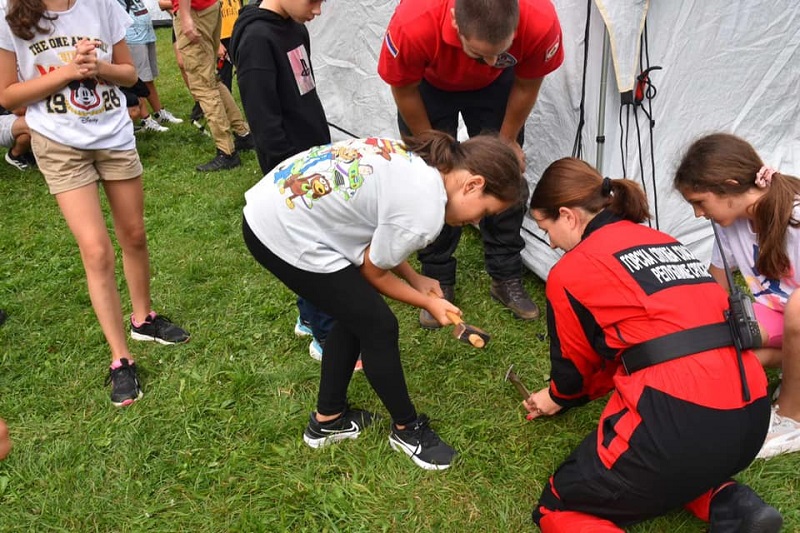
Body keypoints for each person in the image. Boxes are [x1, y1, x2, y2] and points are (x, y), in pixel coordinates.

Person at [243, 131, 527, 470]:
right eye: (484, 211)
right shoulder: (426, 212)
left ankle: (328, 419)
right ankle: (407, 430)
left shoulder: (426, 164)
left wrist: (416, 278)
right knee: (378, 325)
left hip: (273, 204)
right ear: (473, 184)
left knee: (356, 315)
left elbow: (383, 239)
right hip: (283, 230)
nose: (477, 221)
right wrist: (428, 303)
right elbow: (373, 274)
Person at [524, 157, 781, 532]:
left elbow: (575, 367)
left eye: (545, 228)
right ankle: (732, 504)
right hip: (750, 414)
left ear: (567, 215)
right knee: (681, 464)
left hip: (681, 421)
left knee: (557, 508)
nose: (549, 241)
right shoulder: (664, 240)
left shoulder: (571, 269)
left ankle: (708, 489)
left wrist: (559, 396)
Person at [0, 0, 191, 407]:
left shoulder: (102, 4)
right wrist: (68, 72)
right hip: (58, 142)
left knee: (134, 235)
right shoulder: (9, 11)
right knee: (96, 250)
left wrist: (98, 68)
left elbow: (129, 73)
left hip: (114, 135)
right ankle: (120, 358)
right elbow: (7, 94)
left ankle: (144, 318)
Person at [377, 0, 564, 326]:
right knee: (432, 182)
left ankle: (505, 274)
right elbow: (404, 89)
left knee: (504, 176)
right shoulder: (414, 22)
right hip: (429, 87)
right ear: (454, 21)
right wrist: (432, 153)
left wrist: (506, 141)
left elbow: (526, 83)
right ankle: (437, 277)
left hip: (497, 90)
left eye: (500, 53)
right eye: (480, 54)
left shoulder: (540, 20)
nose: (491, 62)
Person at [675, 132, 800, 460]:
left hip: (796, 316)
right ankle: (793, 369)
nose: (698, 214)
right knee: (728, 349)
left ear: (729, 185)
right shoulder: (730, 226)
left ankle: (791, 417)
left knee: (798, 308)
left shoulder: (796, 219)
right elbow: (715, 288)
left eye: (700, 202)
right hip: (781, 318)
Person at [230, 0, 337, 364]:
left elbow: (305, 95)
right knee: (316, 253)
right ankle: (325, 336)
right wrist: (291, 179)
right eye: (313, 1)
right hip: (292, 173)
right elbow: (264, 122)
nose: (318, 10)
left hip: (314, 156)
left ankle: (309, 318)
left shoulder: (294, 27)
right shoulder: (257, 39)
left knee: (318, 241)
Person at [171, 0, 254, 171]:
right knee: (211, 79)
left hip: (195, 11)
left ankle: (227, 152)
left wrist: (185, 16)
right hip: (209, 7)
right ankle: (243, 134)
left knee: (203, 84)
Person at [117, 0, 183, 133]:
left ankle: (160, 113)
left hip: (145, 33)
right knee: (137, 81)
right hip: (131, 37)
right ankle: (146, 120)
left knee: (148, 79)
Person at [217, 0, 241, 92]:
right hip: (221, 38)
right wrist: (217, 43)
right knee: (224, 78)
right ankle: (227, 105)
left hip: (237, 32)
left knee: (245, 74)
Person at [0, 105, 35, 170]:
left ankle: (16, 154)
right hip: (3, 117)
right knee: (34, 124)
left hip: (17, 117)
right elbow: (19, 110)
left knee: (25, 137)